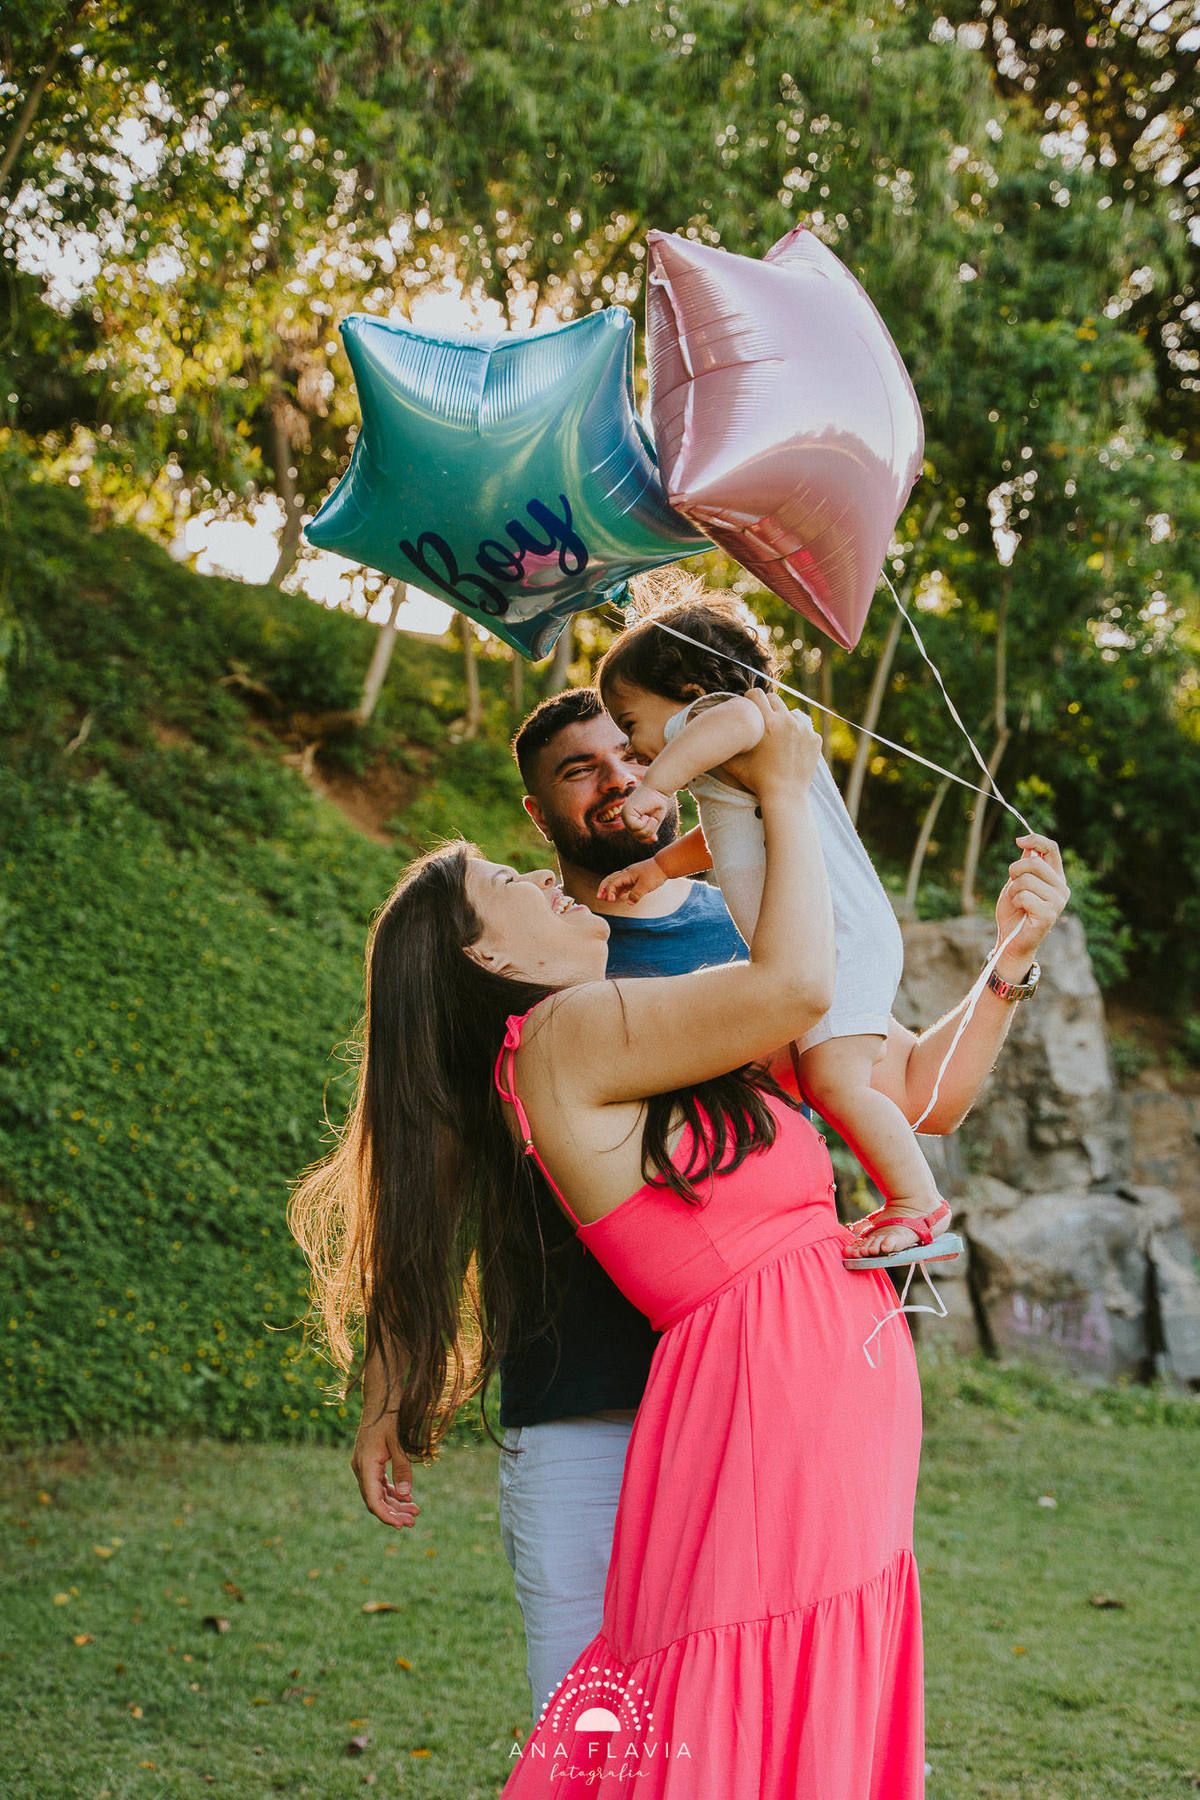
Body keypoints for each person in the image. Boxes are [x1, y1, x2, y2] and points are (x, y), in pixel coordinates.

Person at [344, 684, 1069, 1729]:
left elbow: (914, 1091)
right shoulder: (513, 999)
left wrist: (1009, 963)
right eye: (578, 770)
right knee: (603, 1726)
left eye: (624, 750)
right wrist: (389, 1389)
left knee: (744, 1716)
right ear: (536, 815)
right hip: (584, 1406)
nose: (618, 779)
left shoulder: (746, 931)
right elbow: (418, 1189)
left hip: (762, 1405)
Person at [593, 589, 955, 1269]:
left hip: (840, 933)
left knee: (834, 1081)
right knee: (831, 1076)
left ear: (690, 691)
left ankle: (918, 1200)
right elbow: (725, 837)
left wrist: (658, 786)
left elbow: (726, 718)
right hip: (841, 932)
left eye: (630, 719)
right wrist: (661, 868)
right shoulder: (738, 767)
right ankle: (908, 1193)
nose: (630, 746)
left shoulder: (736, 717)